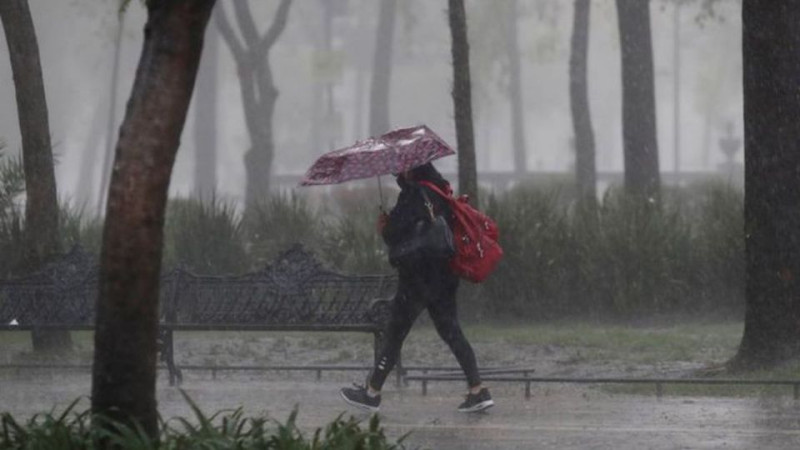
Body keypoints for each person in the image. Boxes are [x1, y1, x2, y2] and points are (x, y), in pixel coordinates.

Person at [340, 162, 493, 413]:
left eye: (403, 168)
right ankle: (478, 390)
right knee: (451, 331)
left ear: (413, 169)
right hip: (444, 275)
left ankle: (371, 393)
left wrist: (385, 227)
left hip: (417, 277)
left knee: (395, 333)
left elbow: (395, 233)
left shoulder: (413, 193)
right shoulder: (441, 190)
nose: (399, 172)